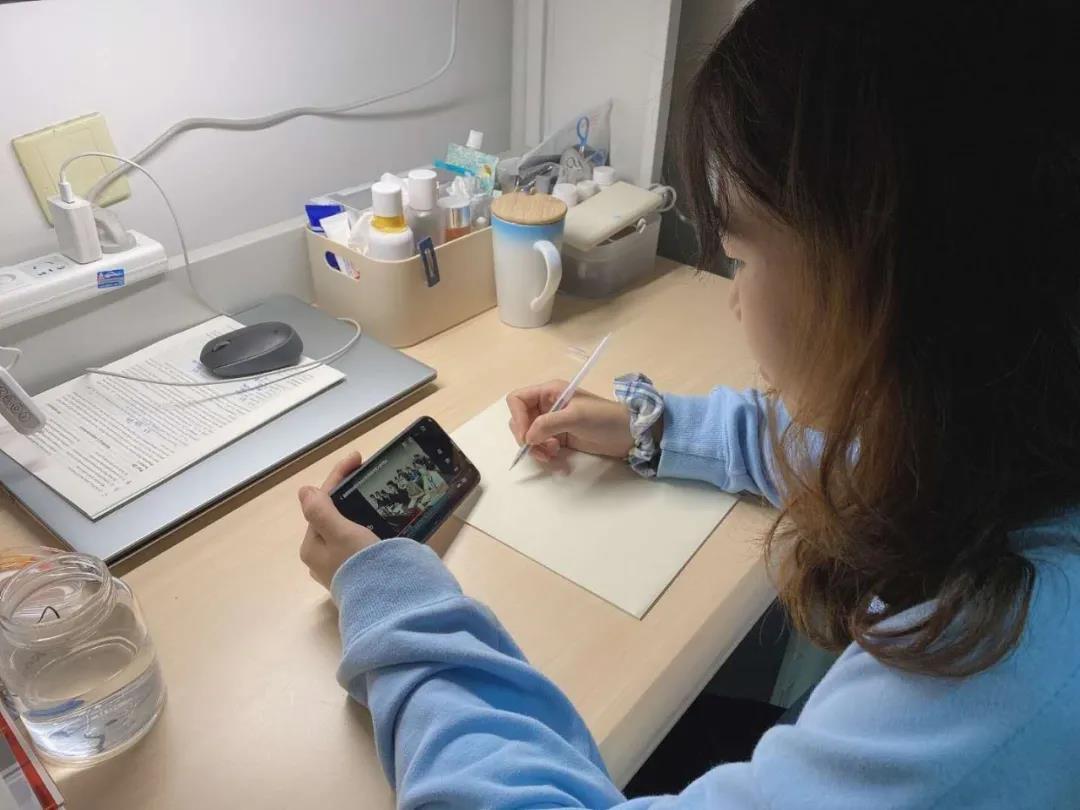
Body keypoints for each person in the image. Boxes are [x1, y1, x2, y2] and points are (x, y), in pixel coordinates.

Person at [296, 2, 1080, 806]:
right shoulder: (1011, 448)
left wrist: (395, 608)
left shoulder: (997, 682)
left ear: (881, 274)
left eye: (740, 256)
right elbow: (857, 457)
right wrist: (654, 428)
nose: (735, 302)